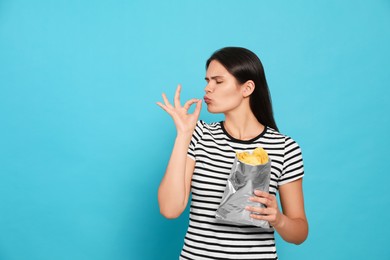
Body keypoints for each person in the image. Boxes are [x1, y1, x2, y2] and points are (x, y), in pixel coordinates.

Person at [157, 47, 308, 260]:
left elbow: (300, 233)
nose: (207, 88)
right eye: (207, 80)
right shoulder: (198, 135)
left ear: (247, 88)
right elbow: (169, 209)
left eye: (218, 81)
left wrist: (278, 219)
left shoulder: (285, 148)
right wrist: (183, 135)